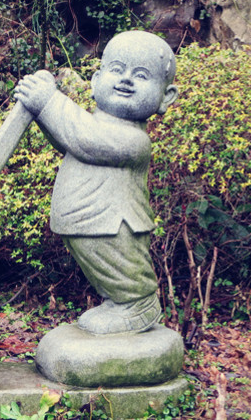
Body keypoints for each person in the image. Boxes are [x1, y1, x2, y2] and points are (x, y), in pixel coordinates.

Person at [14, 31, 178, 334]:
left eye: (141, 75)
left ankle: (137, 303)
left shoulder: (134, 140)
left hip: (114, 224)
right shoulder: (92, 123)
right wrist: (42, 112)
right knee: (99, 262)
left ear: (165, 97)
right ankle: (119, 303)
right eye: (117, 69)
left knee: (120, 265)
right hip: (87, 221)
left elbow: (85, 138)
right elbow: (69, 139)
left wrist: (48, 101)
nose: (126, 80)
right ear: (95, 80)